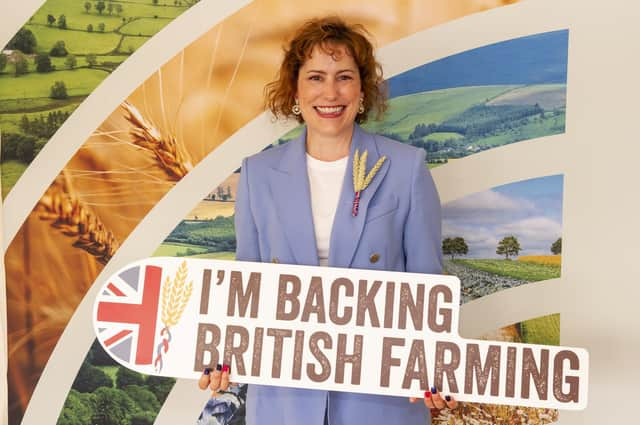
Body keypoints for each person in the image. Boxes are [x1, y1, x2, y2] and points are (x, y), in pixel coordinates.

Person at [199, 16, 457, 425]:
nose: (330, 93)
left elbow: (428, 284)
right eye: (316, 77)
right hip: (285, 395)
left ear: (362, 88)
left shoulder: (407, 168)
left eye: (345, 77)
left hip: (379, 396)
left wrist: (438, 367)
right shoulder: (257, 172)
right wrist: (221, 353)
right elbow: (245, 283)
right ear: (296, 90)